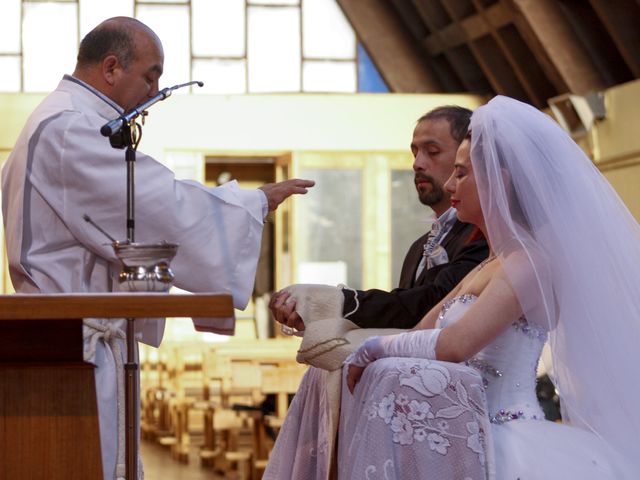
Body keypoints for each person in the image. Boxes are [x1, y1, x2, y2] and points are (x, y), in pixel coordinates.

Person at [1, 17, 313, 480]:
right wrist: (250, 202)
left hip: (79, 344)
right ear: (111, 68)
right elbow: (154, 204)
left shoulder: (67, 119)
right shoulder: (69, 127)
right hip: (74, 354)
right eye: (151, 75)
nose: (155, 91)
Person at [342, 95, 640, 478]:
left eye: (462, 173)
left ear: (499, 180)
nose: (450, 182)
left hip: (509, 441)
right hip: (459, 436)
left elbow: (454, 345)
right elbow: (423, 332)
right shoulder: (491, 262)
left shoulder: (532, 262)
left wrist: (372, 349)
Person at [264, 107, 489, 479]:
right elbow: (408, 317)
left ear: (470, 155)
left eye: (432, 152)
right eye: (413, 151)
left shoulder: (484, 241)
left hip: (459, 414)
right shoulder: (421, 245)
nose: (417, 163)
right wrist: (320, 313)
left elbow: (430, 302)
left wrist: (340, 301)